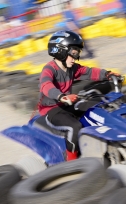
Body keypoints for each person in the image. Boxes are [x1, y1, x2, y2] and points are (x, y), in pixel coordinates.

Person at [38, 30, 120, 160]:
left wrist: (107, 74)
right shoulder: (49, 69)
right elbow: (45, 86)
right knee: (74, 127)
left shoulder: (72, 68)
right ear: (61, 51)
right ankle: (72, 162)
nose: (76, 57)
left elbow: (89, 72)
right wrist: (61, 96)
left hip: (68, 104)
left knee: (100, 106)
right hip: (53, 109)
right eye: (74, 53)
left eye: (77, 53)